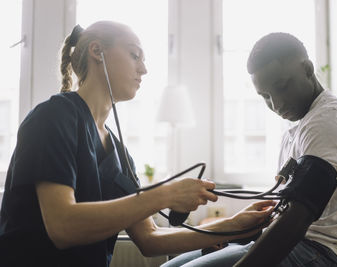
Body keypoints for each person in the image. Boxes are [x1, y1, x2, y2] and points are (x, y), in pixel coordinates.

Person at [0, 21, 277, 267]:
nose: (143, 69)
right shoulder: (53, 117)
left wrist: (234, 225)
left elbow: (149, 237)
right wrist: (165, 195)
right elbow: (62, 227)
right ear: (97, 51)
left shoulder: (120, 154)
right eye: (134, 55)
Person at [162, 32, 337, 267]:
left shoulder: (328, 121)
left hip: (327, 254)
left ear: (308, 69)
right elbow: (287, 209)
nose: (276, 104)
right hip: (302, 244)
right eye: (265, 96)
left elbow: (298, 216)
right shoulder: (297, 129)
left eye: (282, 87)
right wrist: (233, 234)